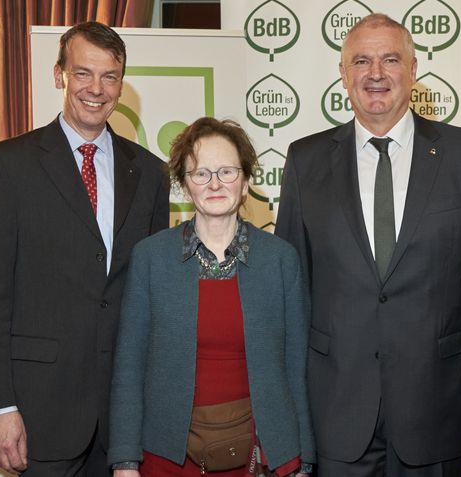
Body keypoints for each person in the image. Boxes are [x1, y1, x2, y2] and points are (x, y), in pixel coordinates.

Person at [274, 13, 461, 476]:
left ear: (414, 69)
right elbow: (290, 291)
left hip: (435, 407)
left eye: (390, 59)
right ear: (343, 75)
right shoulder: (305, 159)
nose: (375, 73)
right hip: (336, 411)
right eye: (361, 60)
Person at [0, 21, 170, 476]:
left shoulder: (151, 173)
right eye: (83, 73)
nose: (96, 89)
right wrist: (0, 406)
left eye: (110, 76)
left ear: (122, 82)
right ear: (58, 74)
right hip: (40, 411)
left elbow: (153, 296)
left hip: (123, 414)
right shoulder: (7, 165)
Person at [108, 117, 314, 477]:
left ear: (247, 182)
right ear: (185, 186)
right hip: (166, 457)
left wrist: (302, 459)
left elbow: (297, 369)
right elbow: (129, 366)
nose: (215, 184)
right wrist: (125, 460)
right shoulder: (151, 258)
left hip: (258, 455)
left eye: (227, 172)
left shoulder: (281, 260)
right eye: (200, 173)